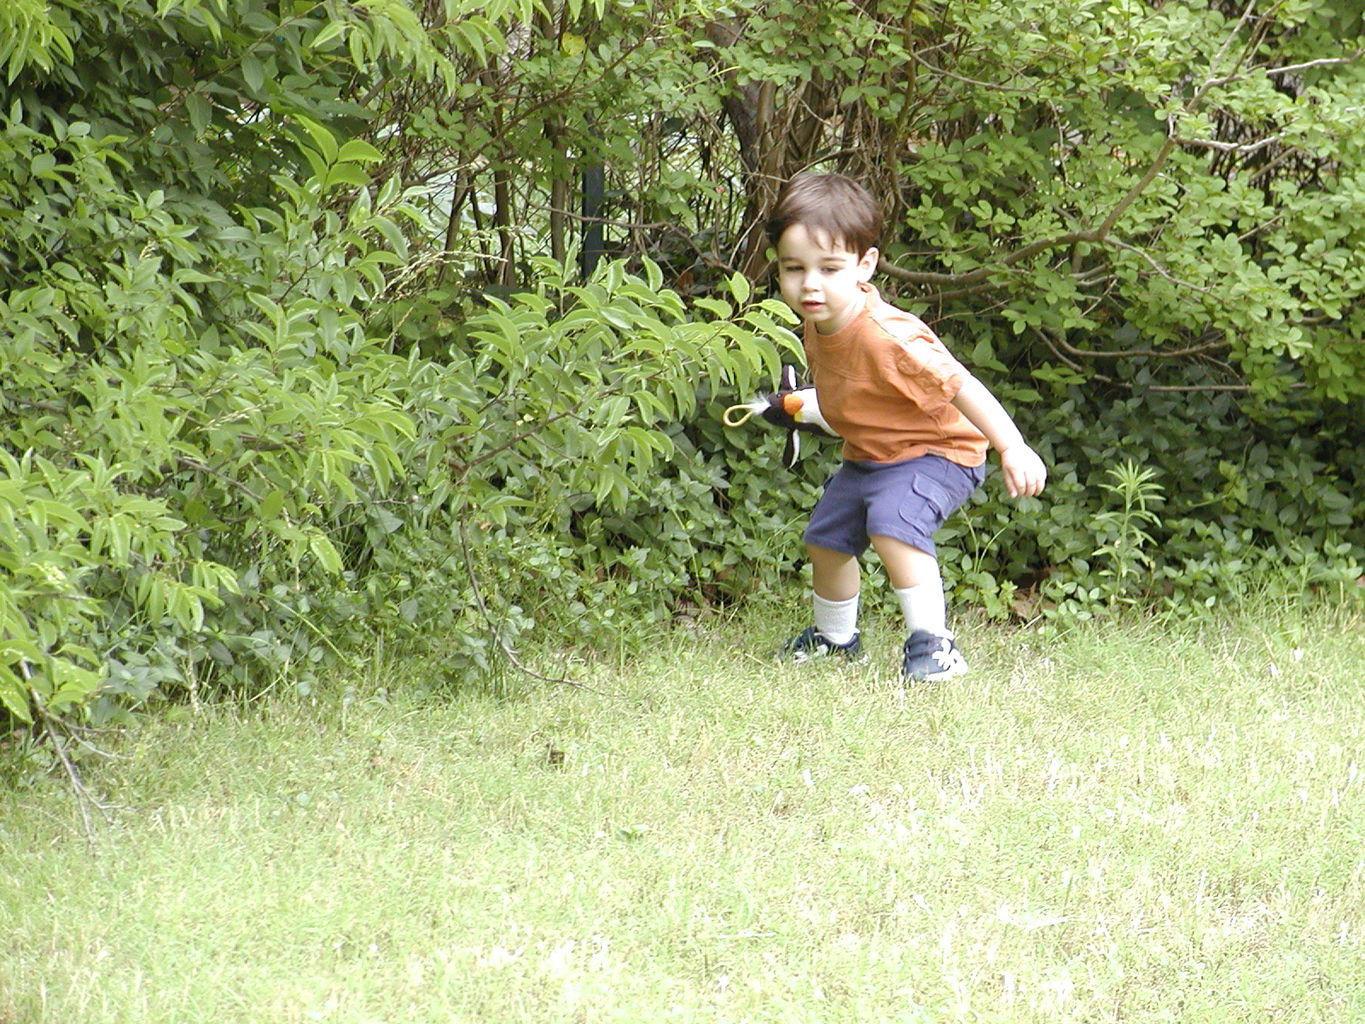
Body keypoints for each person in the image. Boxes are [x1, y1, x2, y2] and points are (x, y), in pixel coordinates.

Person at [766, 173, 1046, 682]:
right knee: (826, 539)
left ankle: (933, 646)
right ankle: (835, 640)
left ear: (864, 265)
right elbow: (856, 397)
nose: (810, 283)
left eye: (829, 268)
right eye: (794, 268)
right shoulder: (818, 320)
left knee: (893, 523)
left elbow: (961, 384)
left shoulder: (886, 336)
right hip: (871, 454)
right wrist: (795, 408)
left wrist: (1013, 446)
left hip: (939, 452)